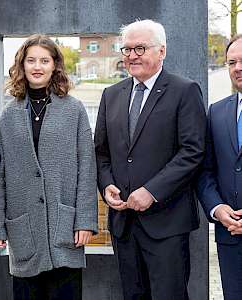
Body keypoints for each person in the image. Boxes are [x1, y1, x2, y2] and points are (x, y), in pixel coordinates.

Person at [94, 19, 206, 300]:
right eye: (127, 49)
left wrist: (152, 192)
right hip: (124, 224)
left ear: (162, 51)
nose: (132, 55)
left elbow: (192, 152)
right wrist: (107, 185)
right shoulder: (111, 95)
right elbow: (102, 152)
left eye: (140, 48)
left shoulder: (184, 91)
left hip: (166, 224)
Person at [0, 34, 98, 300]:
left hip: (65, 225)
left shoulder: (74, 109)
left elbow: (87, 167)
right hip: (24, 227)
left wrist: (84, 220)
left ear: (54, 66)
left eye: (44, 61)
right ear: (22, 66)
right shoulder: (10, 114)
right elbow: (1, 174)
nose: (37, 66)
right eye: (31, 60)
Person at [197, 34, 242, 300]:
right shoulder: (216, 112)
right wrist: (217, 208)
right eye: (231, 62)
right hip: (230, 238)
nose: (238, 68)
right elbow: (205, 171)